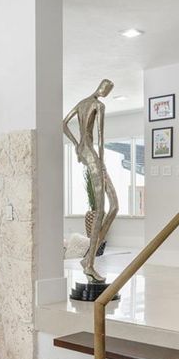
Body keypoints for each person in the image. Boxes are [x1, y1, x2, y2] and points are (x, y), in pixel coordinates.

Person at [62, 78, 118, 284]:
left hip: (84, 151)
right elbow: (101, 137)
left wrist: (77, 146)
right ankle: (90, 264)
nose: (107, 93)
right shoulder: (97, 105)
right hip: (94, 155)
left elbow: (64, 124)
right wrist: (101, 162)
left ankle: (89, 256)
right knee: (102, 209)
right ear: (103, 88)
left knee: (115, 206)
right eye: (108, 89)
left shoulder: (81, 103)